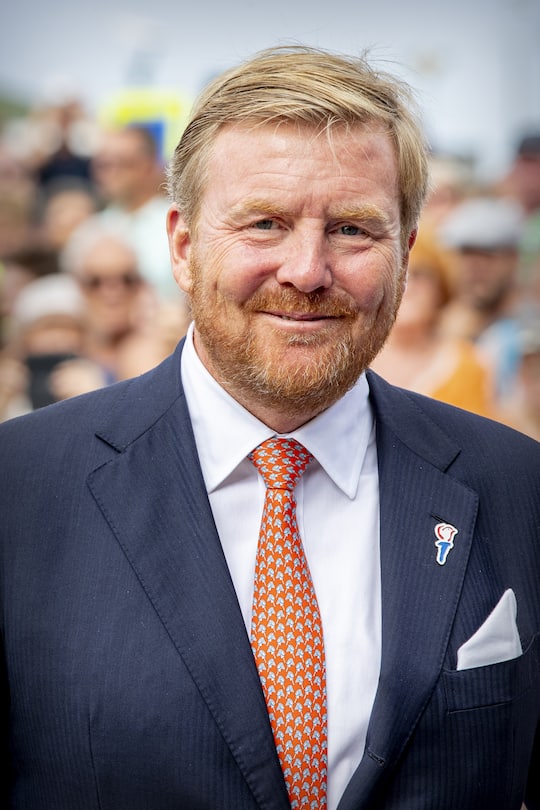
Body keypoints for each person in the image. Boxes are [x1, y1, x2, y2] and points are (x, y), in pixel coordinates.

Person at [0, 45, 538, 810]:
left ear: (407, 255)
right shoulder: (20, 488)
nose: (307, 270)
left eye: (353, 230)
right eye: (264, 223)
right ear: (183, 247)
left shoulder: (517, 487)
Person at [371, 226, 496, 417]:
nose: (407, 287)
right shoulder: (354, 359)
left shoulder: (468, 364)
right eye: (397, 272)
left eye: (419, 275)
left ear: (441, 287)